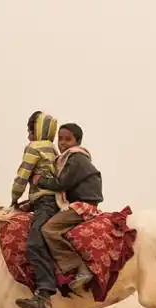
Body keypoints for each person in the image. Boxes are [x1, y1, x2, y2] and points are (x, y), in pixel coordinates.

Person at [32, 123, 103, 294]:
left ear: (77, 141)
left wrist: (38, 180)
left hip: (83, 205)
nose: (62, 143)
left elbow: (61, 184)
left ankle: (79, 267)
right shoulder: (68, 159)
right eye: (60, 139)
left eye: (67, 139)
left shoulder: (76, 158)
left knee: (48, 229)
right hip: (77, 202)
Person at [10, 110, 61, 308]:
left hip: (45, 203)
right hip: (48, 201)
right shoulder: (53, 149)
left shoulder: (34, 147)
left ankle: (44, 294)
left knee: (33, 243)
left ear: (35, 130)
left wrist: (14, 197)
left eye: (29, 130)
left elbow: (23, 175)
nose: (28, 135)